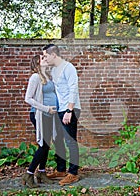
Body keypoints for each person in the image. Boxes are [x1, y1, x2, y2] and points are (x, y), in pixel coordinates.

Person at [43, 44, 81, 186]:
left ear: (54, 55)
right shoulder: (54, 70)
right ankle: (61, 170)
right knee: (58, 139)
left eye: (46, 56)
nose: (45, 59)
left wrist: (69, 110)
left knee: (70, 141)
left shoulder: (68, 67)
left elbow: (73, 89)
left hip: (70, 110)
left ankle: (73, 173)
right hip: (60, 110)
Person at [22, 54, 59, 188]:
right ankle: (29, 173)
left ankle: (42, 173)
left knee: (46, 145)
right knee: (43, 145)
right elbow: (28, 98)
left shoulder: (48, 77)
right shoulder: (35, 77)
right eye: (42, 59)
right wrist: (46, 109)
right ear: (37, 63)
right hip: (39, 114)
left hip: (49, 115)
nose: (45, 59)